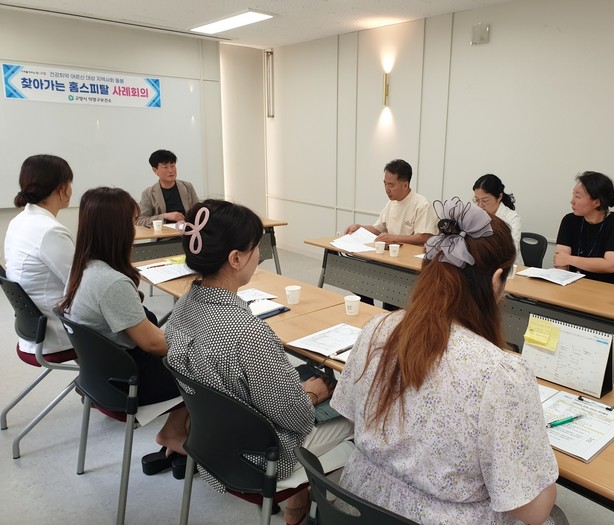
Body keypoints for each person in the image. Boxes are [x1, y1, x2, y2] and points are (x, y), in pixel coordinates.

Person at [332, 197, 565, 525]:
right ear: (496, 279)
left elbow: (351, 416)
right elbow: (531, 510)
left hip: (358, 506)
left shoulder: (377, 328)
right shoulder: (499, 373)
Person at [165, 199, 353, 525]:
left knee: (297, 380)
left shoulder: (183, 306)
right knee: (359, 415)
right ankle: (321, 509)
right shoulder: (249, 334)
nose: (260, 255)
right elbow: (297, 419)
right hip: (261, 458)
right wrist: (313, 394)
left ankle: (297, 505)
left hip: (210, 443)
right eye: (256, 248)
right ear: (235, 259)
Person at [59, 187, 188, 458]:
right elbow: (153, 344)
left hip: (101, 377)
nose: (135, 230)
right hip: (129, 380)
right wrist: (196, 345)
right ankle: (176, 432)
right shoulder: (111, 283)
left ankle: (179, 431)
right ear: (116, 230)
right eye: (131, 223)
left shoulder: (80, 269)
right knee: (206, 366)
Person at [4, 154, 75, 357]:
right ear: (61, 188)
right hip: (56, 333)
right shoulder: (50, 231)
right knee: (134, 324)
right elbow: (80, 283)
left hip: (33, 329)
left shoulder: (19, 220)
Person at [554, 171, 614, 284]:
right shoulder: (569, 220)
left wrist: (569, 259)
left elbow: (610, 265)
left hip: (605, 287)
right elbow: (560, 260)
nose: (572, 201)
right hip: (572, 284)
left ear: (597, 202)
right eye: (573, 195)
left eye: (578, 197)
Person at [344, 159, 438, 245]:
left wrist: (394, 238)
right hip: (392, 252)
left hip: (411, 254)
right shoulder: (391, 203)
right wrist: (360, 228)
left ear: (405, 185)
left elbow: (424, 237)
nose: (387, 189)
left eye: (391, 185)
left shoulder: (422, 205)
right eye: (385, 184)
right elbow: (377, 229)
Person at [136, 149, 199, 226]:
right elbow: (141, 221)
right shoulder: (148, 193)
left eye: (173, 166)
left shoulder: (187, 187)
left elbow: (199, 212)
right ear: (155, 170)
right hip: (164, 233)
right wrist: (164, 216)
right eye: (165, 167)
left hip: (188, 231)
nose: (170, 171)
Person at [472, 173, 522, 264]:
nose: (480, 206)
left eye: (485, 201)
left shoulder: (512, 218)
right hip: (483, 265)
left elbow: (511, 250)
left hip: (508, 267)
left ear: (499, 196)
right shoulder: (476, 215)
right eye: (477, 200)